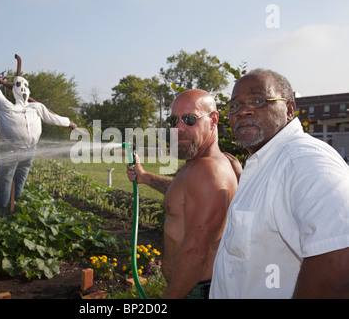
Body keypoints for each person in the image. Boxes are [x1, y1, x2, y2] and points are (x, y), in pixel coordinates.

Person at [210, 68, 349, 298]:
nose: (243, 110)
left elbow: (340, 262)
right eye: (235, 105)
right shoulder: (268, 162)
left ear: (289, 109)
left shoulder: (303, 160)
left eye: (258, 100)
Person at [127, 89, 241, 298]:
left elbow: (197, 252)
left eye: (190, 119)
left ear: (213, 120)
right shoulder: (204, 165)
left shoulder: (207, 171)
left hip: (196, 291)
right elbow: (184, 194)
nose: (178, 128)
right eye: (173, 120)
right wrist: (144, 177)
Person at [0, 61, 77, 214]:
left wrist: (68, 122)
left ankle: (15, 201)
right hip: (11, 150)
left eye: (25, 86)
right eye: (19, 85)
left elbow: (52, 118)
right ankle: (2, 208)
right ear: (14, 89)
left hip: (30, 149)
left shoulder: (36, 107)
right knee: (5, 178)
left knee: (22, 175)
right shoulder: (6, 107)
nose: (23, 89)